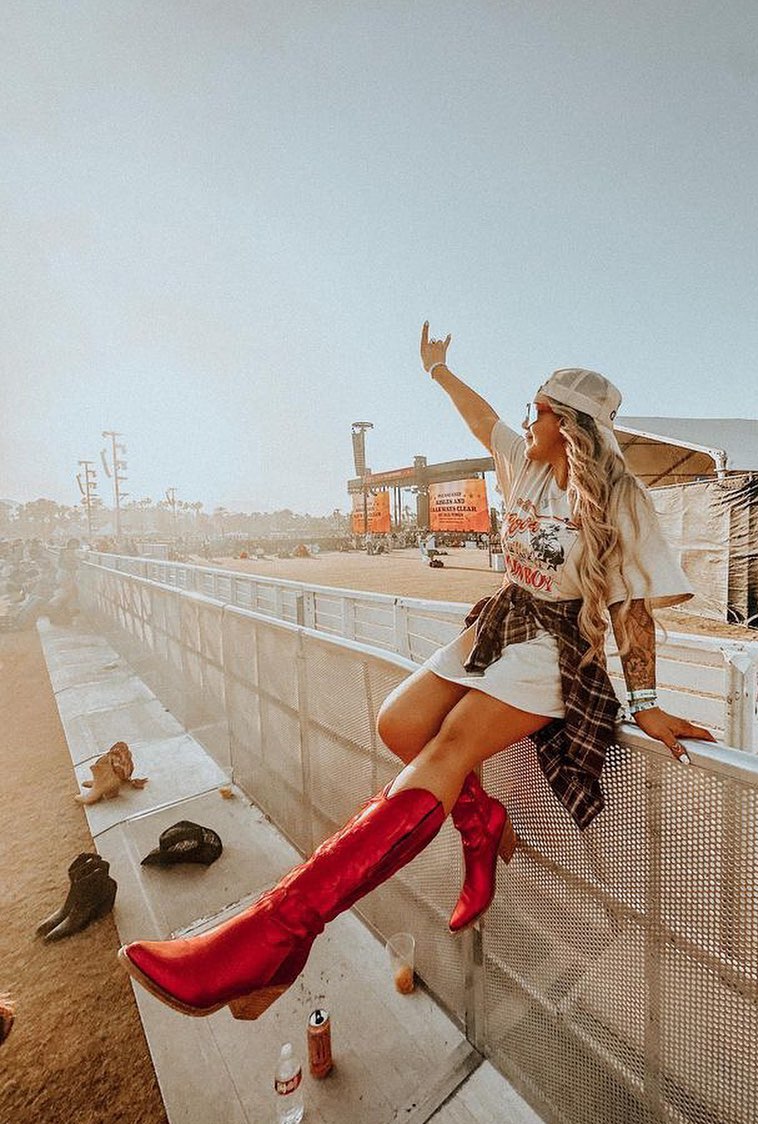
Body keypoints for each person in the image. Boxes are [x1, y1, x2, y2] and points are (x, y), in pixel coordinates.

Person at [118, 322, 715, 1020]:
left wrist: (644, 702)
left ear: (571, 424)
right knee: (397, 722)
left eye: (542, 410)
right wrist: (437, 370)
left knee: (449, 747)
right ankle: (480, 825)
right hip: (501, 621)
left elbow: (631, 610)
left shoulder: (618, 498)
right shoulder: (521, 458)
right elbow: (481, 417)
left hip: (553, 650)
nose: (529, 418)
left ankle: (274, 934)